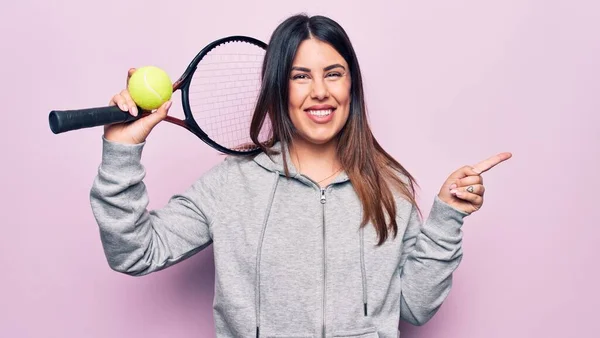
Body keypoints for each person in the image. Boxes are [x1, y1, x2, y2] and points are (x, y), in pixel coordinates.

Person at [90, 13, 511, 338]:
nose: (320, 92)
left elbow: (415, 308)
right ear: (279, 89)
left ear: (351, 87)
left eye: (333, 73)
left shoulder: (389, 188)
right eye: (300, 77)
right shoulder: (231, 184)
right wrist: (122, 151)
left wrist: (447, 218)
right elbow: (135, 252)